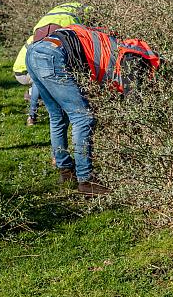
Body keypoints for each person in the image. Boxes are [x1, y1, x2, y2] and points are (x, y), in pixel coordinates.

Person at [26, 24, 161, 195]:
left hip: (35, 51)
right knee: (83, 118)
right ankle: (86, 179)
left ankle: (66, 171)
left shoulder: (110, 45)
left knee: (58, 116)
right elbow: (134, 104)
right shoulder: (133, 58)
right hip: (53, 54)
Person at [13, 3, 88, 126]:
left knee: (43, 78)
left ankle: (32, 97)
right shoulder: (46, 41)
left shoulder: (39, 35)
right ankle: (31, 115)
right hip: (22, 72)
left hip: (22, 69)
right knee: (40, 79)